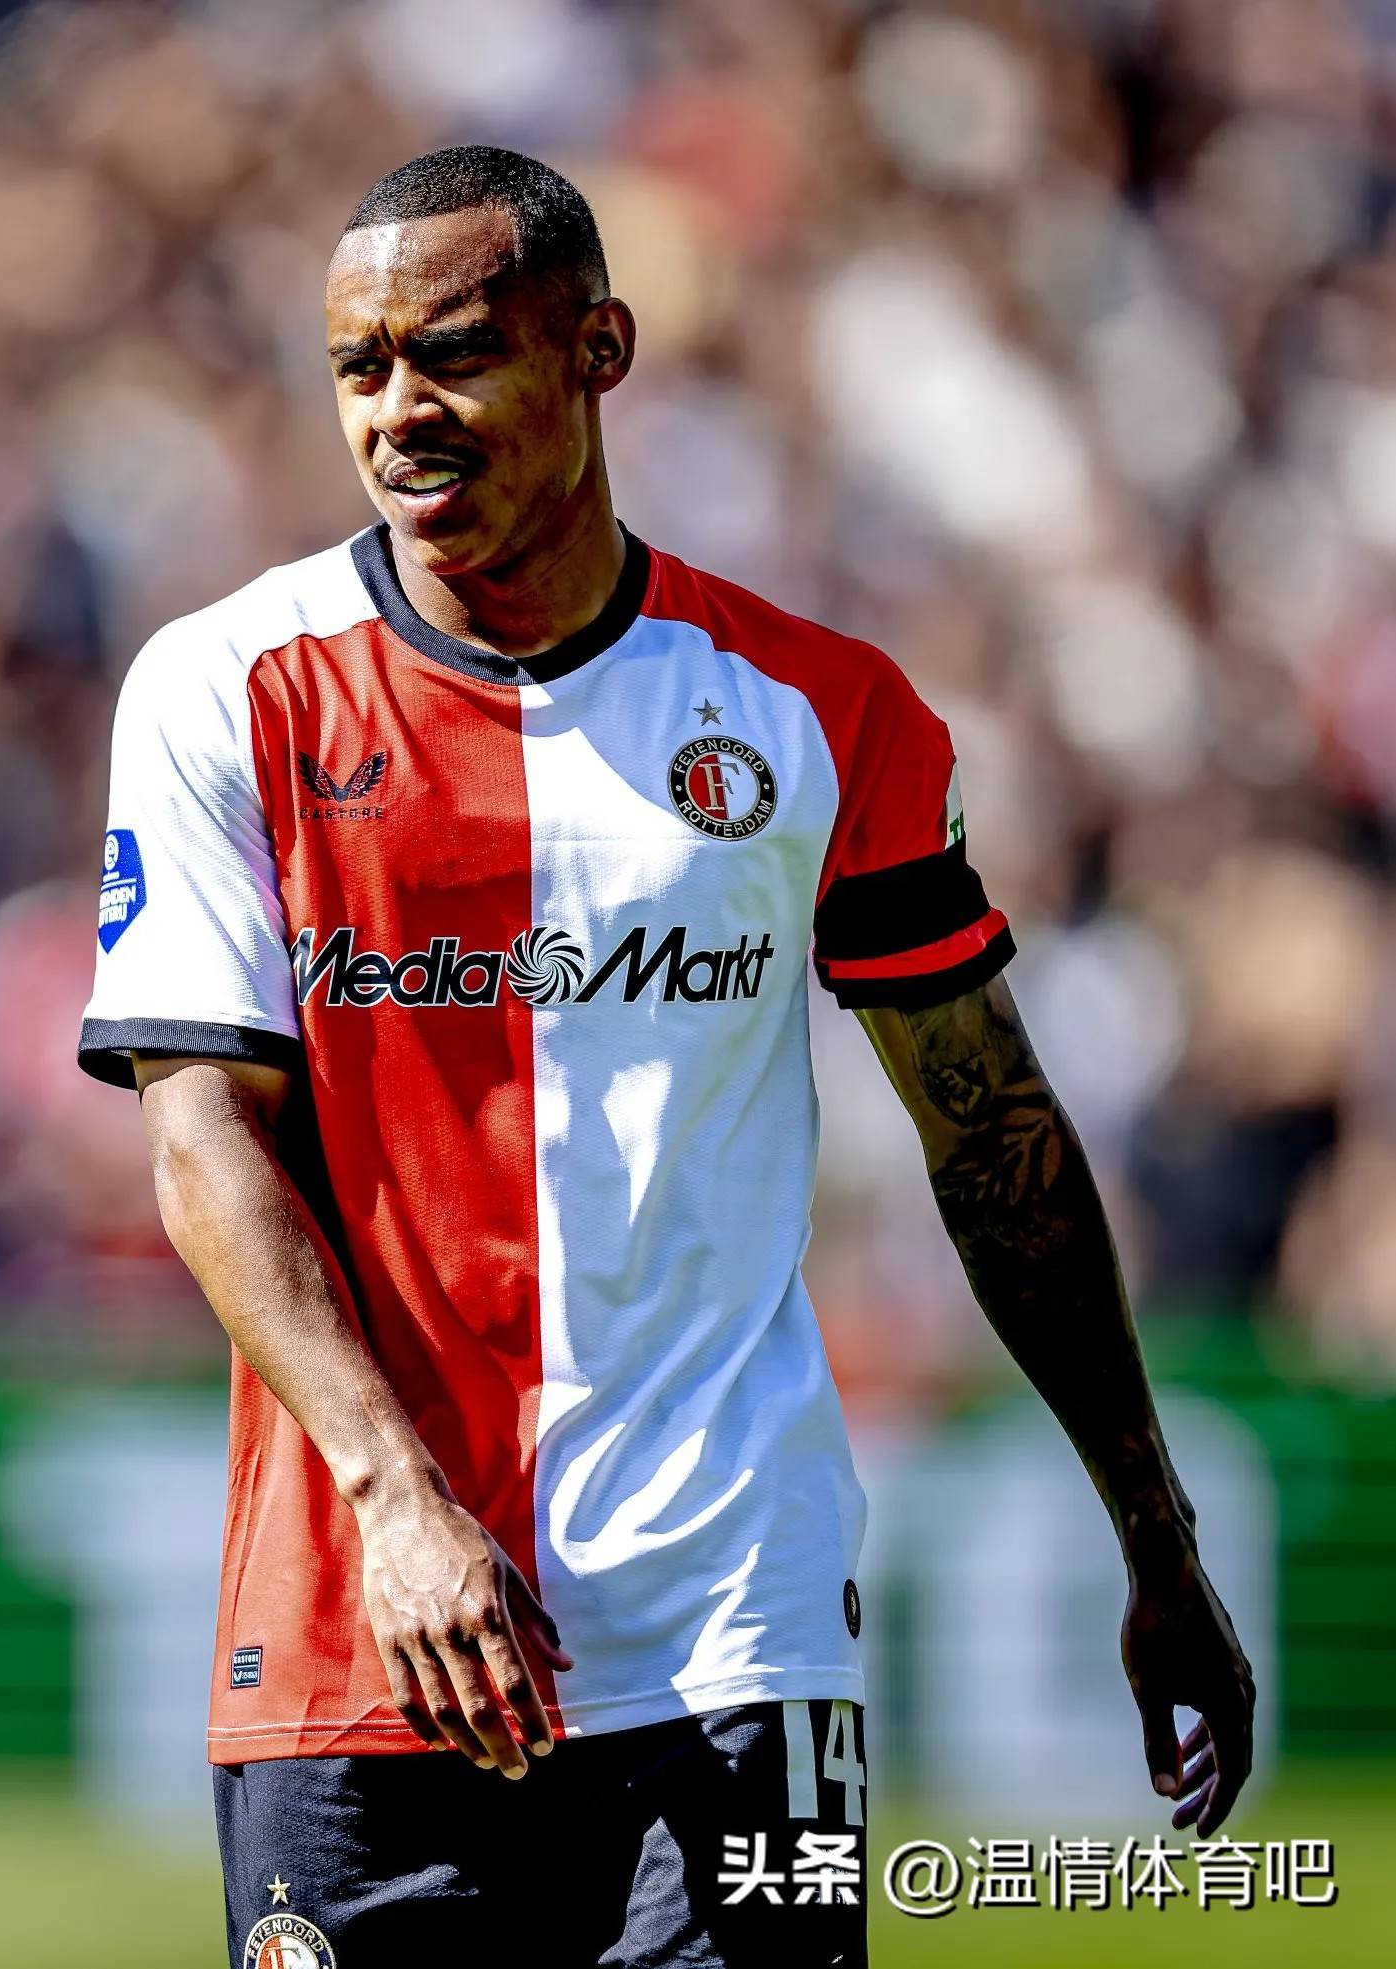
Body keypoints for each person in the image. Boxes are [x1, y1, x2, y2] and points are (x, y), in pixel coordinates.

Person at [77, 145, 1253, 1967]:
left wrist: (1155, 1538)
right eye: (358, 368)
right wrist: (396, 1495)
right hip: (363, 1625)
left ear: (598, 349)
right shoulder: (225, 687)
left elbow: (993, 1136)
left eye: (453, 353)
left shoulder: (821, 711)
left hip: (735, 1632)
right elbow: (200, 1145)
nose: (397, 411)